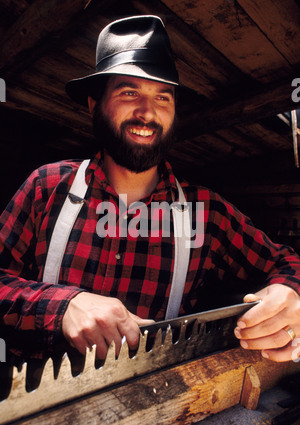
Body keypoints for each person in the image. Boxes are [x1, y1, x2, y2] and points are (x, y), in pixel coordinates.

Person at [0, 15, 300, 365]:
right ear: (94, 105)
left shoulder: (207, 212)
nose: (147, 112)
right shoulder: (47, 187)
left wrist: (291, 294)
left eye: (162, 97)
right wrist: (61, 306)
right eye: (129, 92)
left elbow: (286, 260)